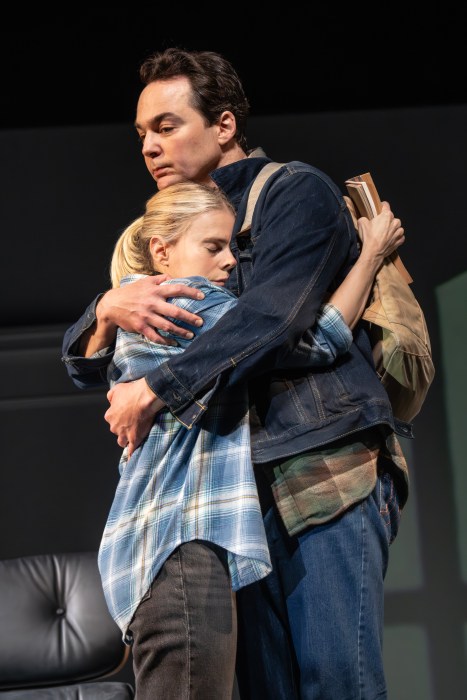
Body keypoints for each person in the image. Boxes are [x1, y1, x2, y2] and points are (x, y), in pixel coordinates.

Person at [62, 47, 408, 700]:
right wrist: (106, 309)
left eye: (166, 126)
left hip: (318, 466)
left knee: (335, 682)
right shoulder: (168, 226)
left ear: (222, 125)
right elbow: (97, 366)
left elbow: (273, 324)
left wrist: (157, 389)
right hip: (230, 495)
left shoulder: (291, 191)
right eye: (141, 134)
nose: (149, 146)